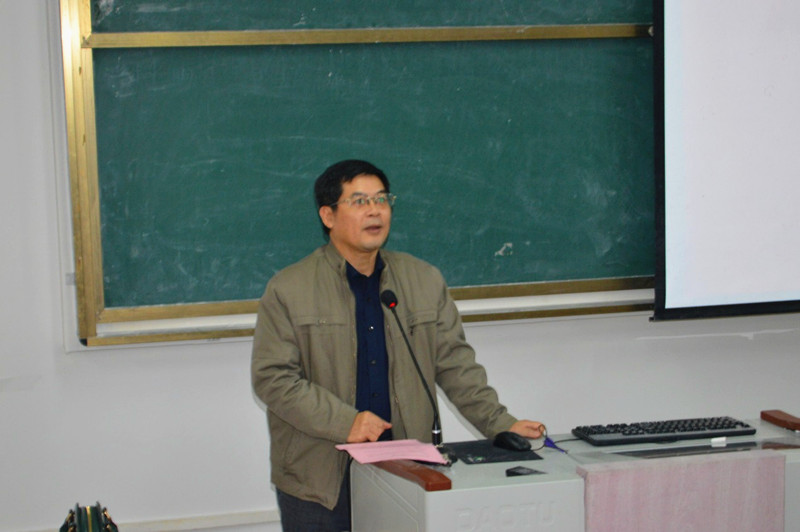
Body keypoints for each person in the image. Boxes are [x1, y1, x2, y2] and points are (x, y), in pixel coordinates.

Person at [251, 159, 544, 531]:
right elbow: (273, 379)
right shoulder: (289, 288)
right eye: (359, 201)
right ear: (328, 215)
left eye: (381, 199)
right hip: (320, 478)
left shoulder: (423, 280)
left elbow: (455, 366)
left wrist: (502, 424)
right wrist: (345, 422)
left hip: (404, 469)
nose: (375, 210)